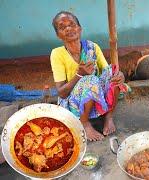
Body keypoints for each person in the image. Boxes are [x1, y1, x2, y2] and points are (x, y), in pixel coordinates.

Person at [50, 11, 128, 141]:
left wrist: (120, 76)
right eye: (62, 27)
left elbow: (107, 72)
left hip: (95, 96)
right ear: (58, 35)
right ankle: (84, 123)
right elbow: (62, 93)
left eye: (72, 24)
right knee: (90, 79)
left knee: (113, 74)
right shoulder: (57, 54)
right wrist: (79, 75)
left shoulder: (92, 47)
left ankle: (108, 117)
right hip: (73, 102)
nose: (68, 28)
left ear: (79, 29)